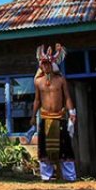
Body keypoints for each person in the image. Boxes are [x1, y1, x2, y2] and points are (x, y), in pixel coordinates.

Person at [31, 44, 77, 182]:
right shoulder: (38, 81)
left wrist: (72, 112)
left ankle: (70, 177)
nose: (45, 66)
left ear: (52, 64)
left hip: (60, 117)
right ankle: (47, 177)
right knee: (45, 149)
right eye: (43, 64)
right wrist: (33, 116)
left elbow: (67, 97)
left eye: (47, 64)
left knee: (65, 147)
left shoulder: (60, 80)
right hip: (45, 118)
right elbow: (37, 100)